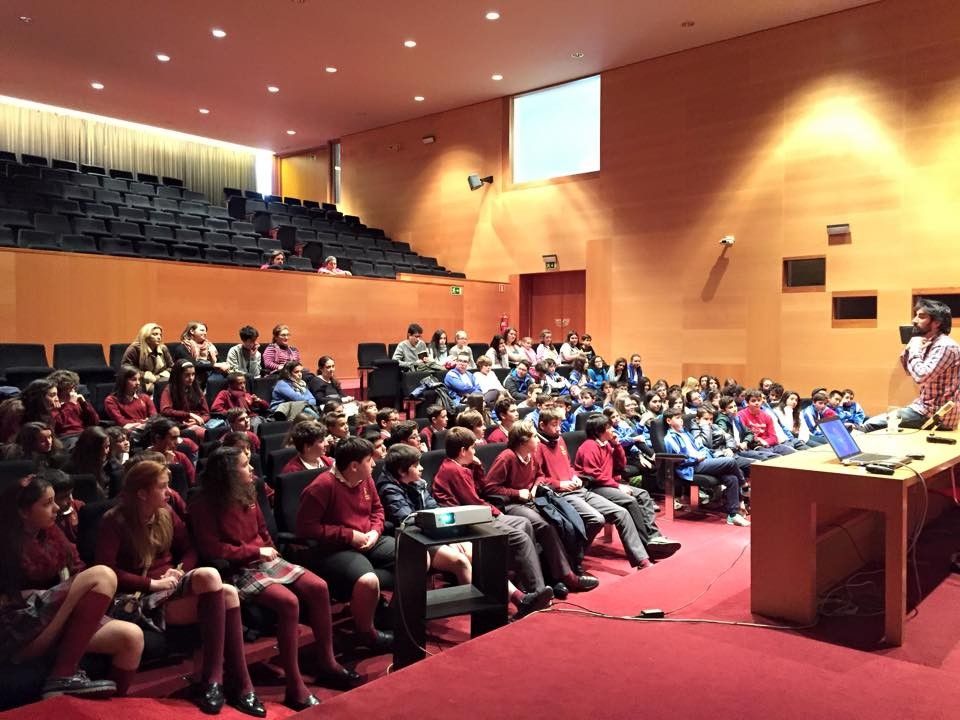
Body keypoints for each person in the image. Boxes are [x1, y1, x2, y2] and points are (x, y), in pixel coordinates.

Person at [192, 448, 359, 709]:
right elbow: (212, 549)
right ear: (228, 473)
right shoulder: (204, 503)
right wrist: (255, 551)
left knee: (319, 587)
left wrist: (271, 552)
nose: (252, 470)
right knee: (289, 602)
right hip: (237, 567)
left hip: (266, 558)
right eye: (245, 466)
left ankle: (327, 662)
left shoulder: (248, 491)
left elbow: (263, 530)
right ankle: (295, 685)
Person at [96, 460, 264, 716]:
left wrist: (179, 570)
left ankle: (218, 681)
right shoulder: (115, 521)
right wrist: (152, 583)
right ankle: (234, 683)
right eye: (162, 487)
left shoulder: (165, 513)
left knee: (217, 582)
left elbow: (190, 549)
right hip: (135, 598)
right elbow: (106, 571)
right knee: (225, 590)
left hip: (168, 587)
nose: (169, 492)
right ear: (142, 493)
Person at [0, 473, 144, 699]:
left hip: (54, 616)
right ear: (23, 511)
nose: (57, 508)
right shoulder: (5, 543)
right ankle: (63, 675)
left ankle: (108, 711)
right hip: (19, 631)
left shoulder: (52, 534)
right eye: (48, 504)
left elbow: (76, 570)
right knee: (103, 575)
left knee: (132, 638)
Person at [431, 427, 554, 614]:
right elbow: (474, 501)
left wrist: (478, 467)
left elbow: (481, 489)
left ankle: (526, 586)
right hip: (468, 521)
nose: (475, 451)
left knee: (524, 523)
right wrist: (497, 513)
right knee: (520, 537)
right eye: (472, 448)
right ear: (463, 451)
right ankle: (536, 590)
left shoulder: (462, 466)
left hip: (477, 513)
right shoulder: (454, 470)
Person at [295, 437, 396, 651]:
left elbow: (378, 511)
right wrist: (349, 535)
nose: (375, 464)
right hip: (334, 549)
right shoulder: (322, 486)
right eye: (370, 460)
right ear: (354, 466)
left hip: (367, 538)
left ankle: (392, 615)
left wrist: (374, 532)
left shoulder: (365, 478)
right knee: (368, 580)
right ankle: (367, 634)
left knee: (412, 555)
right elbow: (305, 529)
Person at [481, 422, 600, 593]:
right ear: (523, 441)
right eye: (534, 437)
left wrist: (536, 486)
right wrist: (516, 492)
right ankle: (567, 576)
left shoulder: (533, 455)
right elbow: (490, 488)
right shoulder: (507, 457)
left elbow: (540, 475)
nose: (537, 440)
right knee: (545, 526)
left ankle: (554, 576)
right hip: (511, 505)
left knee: (561, 523)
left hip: (532, 499)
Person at [569, 413, 681, 564]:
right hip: (595, 487)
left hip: (608, 484)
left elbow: (621, 465)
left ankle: (655, 537)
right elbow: (594, 475)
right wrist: (618, 486)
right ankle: (647, 543)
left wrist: (617, 445)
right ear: (599, 430)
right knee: (630, 501)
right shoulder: (589, 446)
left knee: (643, 494)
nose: (612, 429)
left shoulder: (607, 444)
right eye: (608, 427)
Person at [374, 444, 472, 582]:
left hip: (430, 534)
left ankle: (502, 596)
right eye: (416, 465)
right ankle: (472, 602)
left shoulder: (417, 483)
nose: (422, 468)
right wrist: (445, 538)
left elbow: (433, 509)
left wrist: (449, 537)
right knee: (461, 562)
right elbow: (408, 521)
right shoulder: (389, 490)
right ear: (402, 471)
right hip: (414, 540)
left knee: (473, 553)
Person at [662, 408, 750, 527]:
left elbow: (700, 448)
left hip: (703, 461)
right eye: (677, 418)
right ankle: (744, 486)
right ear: (668, 421)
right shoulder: (669, 438)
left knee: (731, 478)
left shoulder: (685, 433)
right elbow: (679, 459)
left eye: (681, 417)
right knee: (730, 461)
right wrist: (695, 459)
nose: (681, 420)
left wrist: (713, 454)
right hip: (691, 467)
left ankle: (733, 515)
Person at [159, 360, 212, 440]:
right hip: (179, 426)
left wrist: (198, 421)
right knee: (206, 435)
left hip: (197, 424)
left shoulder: (196, 389)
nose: (191, 378)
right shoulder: (169, 389)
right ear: (178, 376)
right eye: (187, 375)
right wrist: (189, 414)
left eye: (193, 374)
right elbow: (165, 410)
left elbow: (206, 414)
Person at [735, 389, 796, 456]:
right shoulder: (741, 415)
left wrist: (765, 442)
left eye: (759, 400)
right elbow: (745, 436)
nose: (757, 403)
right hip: (755, 447)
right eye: (753, 401)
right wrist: (758, 441)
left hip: (769, 444)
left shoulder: (767, 416)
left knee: (793, 453)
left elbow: (774, 437)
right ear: (747, 403)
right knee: (775, 457)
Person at [64, 426, 116, 500]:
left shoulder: (111, 465)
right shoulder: (71, 468)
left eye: (107, 447)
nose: (105, 452)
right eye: (100, 449)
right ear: (89, 449)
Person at [121, 323, 174, 394]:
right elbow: (125, 367)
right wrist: (143, 375)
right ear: (146, 336)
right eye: (155, 334)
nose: (159, 337)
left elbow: (172, 366)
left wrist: (159, 376)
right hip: (140, 381)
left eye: (160, 335)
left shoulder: (163, 348)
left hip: (159, 381)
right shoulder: (134, 348)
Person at [103, 366, 157, 433]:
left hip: (147, 431)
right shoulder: (111, 400)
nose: (138, 383)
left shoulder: (145, 397)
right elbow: (121, 422)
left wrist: (146, 423)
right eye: (134, 379)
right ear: (123, 381)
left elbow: (154, 416)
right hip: (126, 434)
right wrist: (143, 422)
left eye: (139, 379)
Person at [145, 417, 197, 486]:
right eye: (173, 438)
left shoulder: (181, 456)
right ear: (158, 438)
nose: (177, 442)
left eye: (178, 437)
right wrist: (168, 465)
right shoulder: (143, 459)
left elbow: (193, 482)